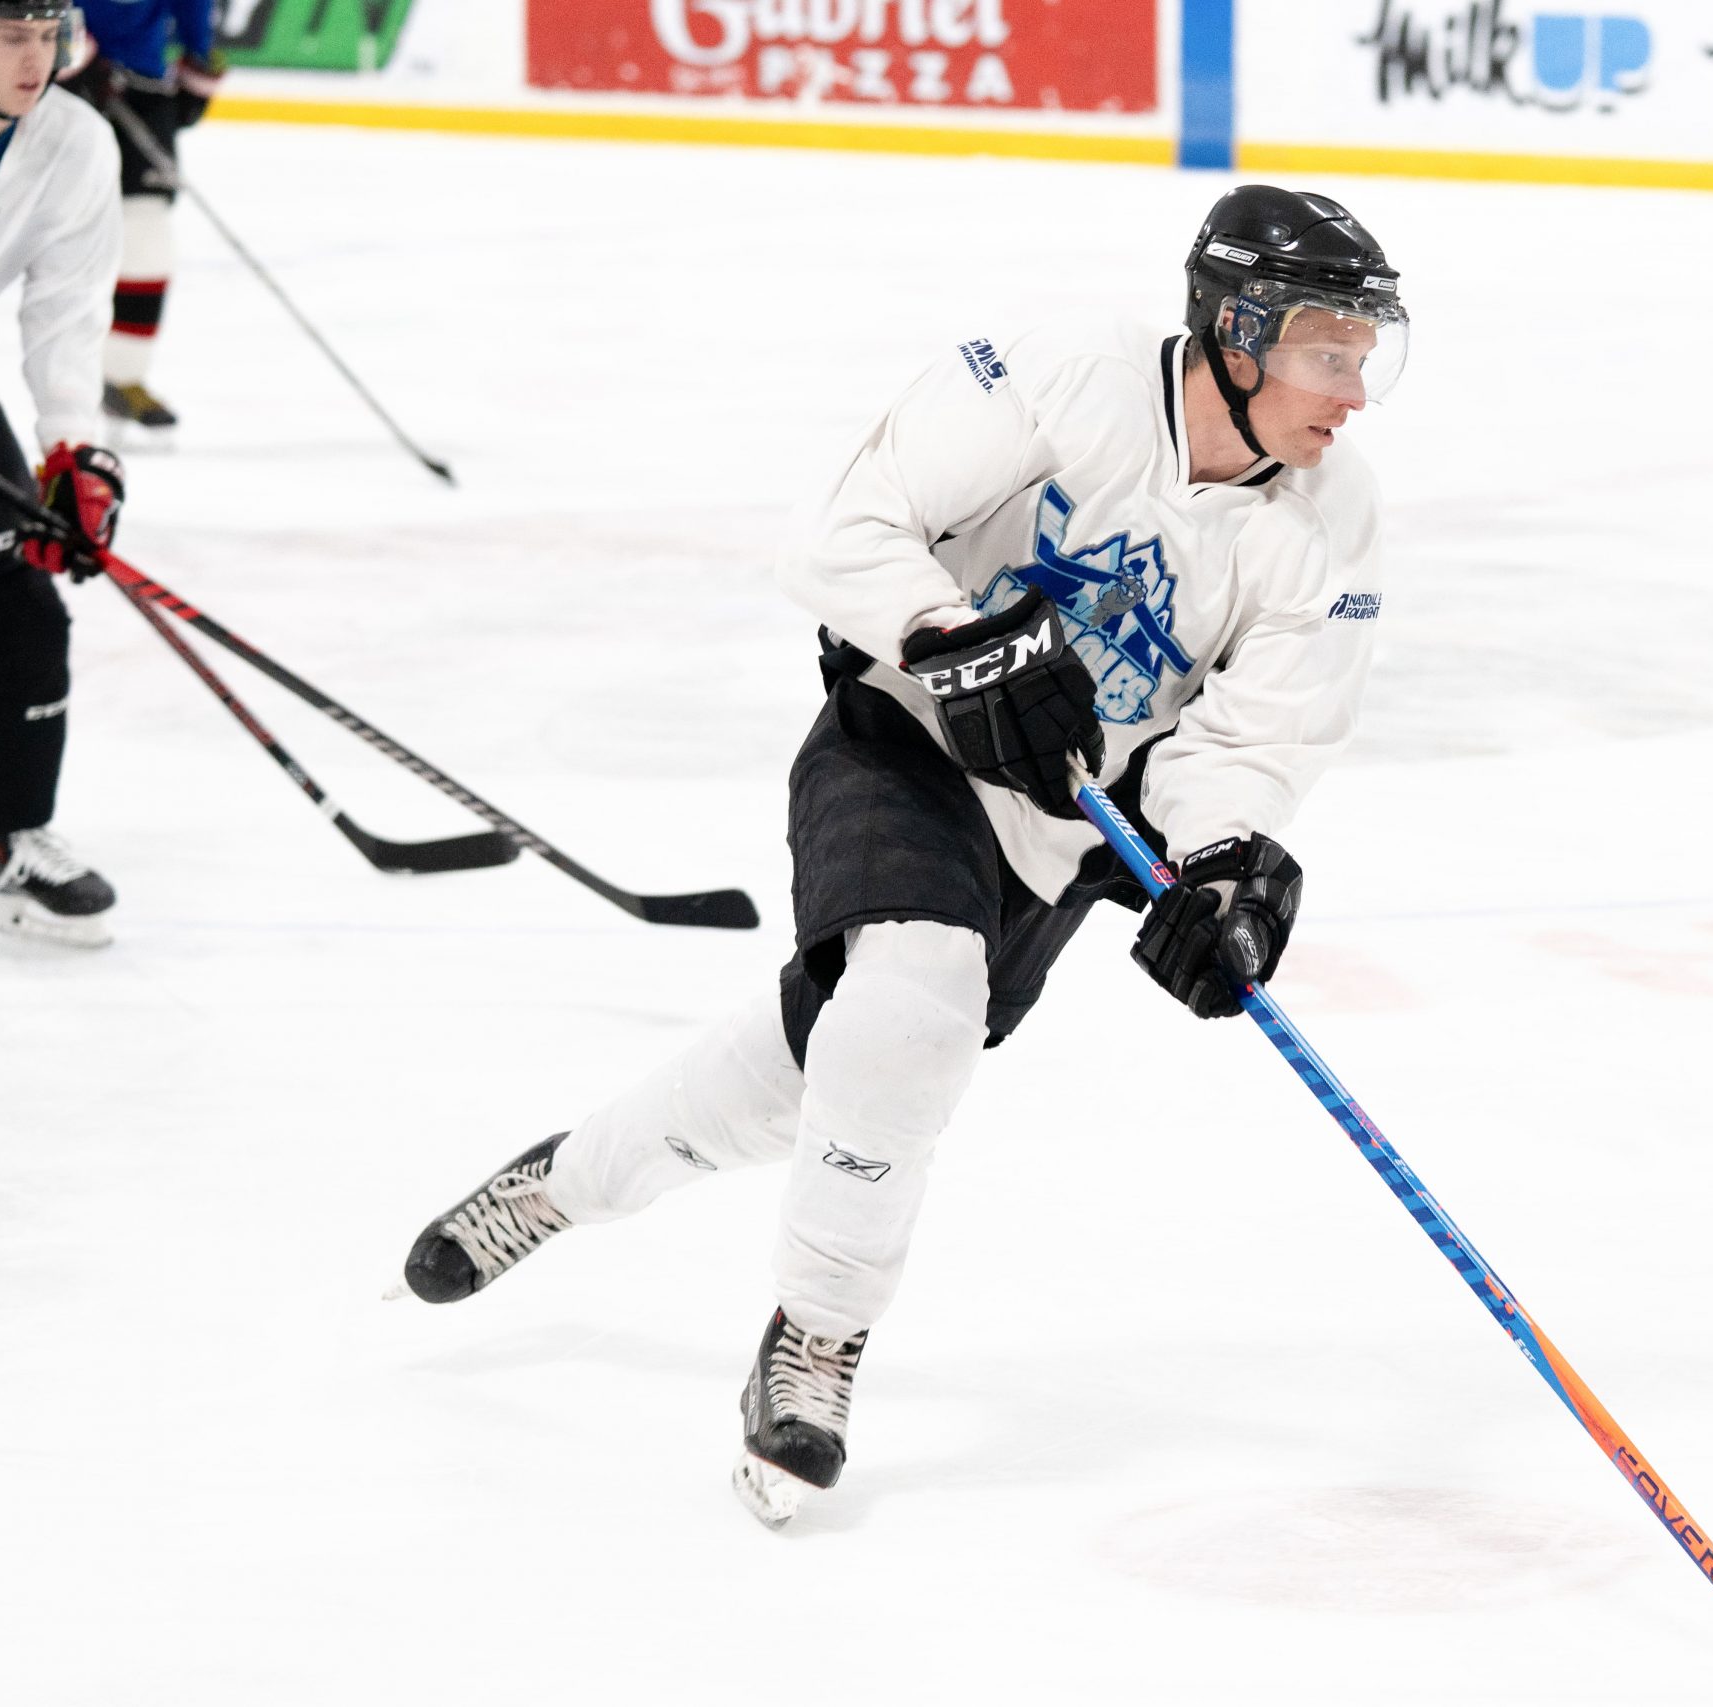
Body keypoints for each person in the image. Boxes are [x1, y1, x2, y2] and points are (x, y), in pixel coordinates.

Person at [397, 185, 1406, 1527]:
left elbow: (1252, 734)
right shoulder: (1067, 378)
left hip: (1067, 830)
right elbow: (843, 526)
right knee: (914, 1002)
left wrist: (1223, 863)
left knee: (838, 1061)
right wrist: (949, 632)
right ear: (1237, 326)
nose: (1354, 389)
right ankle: (815, 1341)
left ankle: (571, 1175)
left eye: (1365, 353)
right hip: (907, 739)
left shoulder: (1335, 518)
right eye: (1329, 350)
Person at [0, 1, 127, 947]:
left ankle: (15, 828)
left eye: (48, 36)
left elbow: (67, 307)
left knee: (21, 598)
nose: (36, 60)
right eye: (9, 37)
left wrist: (73, 445)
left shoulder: (73, 142)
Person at [66, 0, 221, 431]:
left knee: (147, 238)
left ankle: (122, 376)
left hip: (145, 90)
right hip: (46, 84)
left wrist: (200, 65)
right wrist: (73, 54)